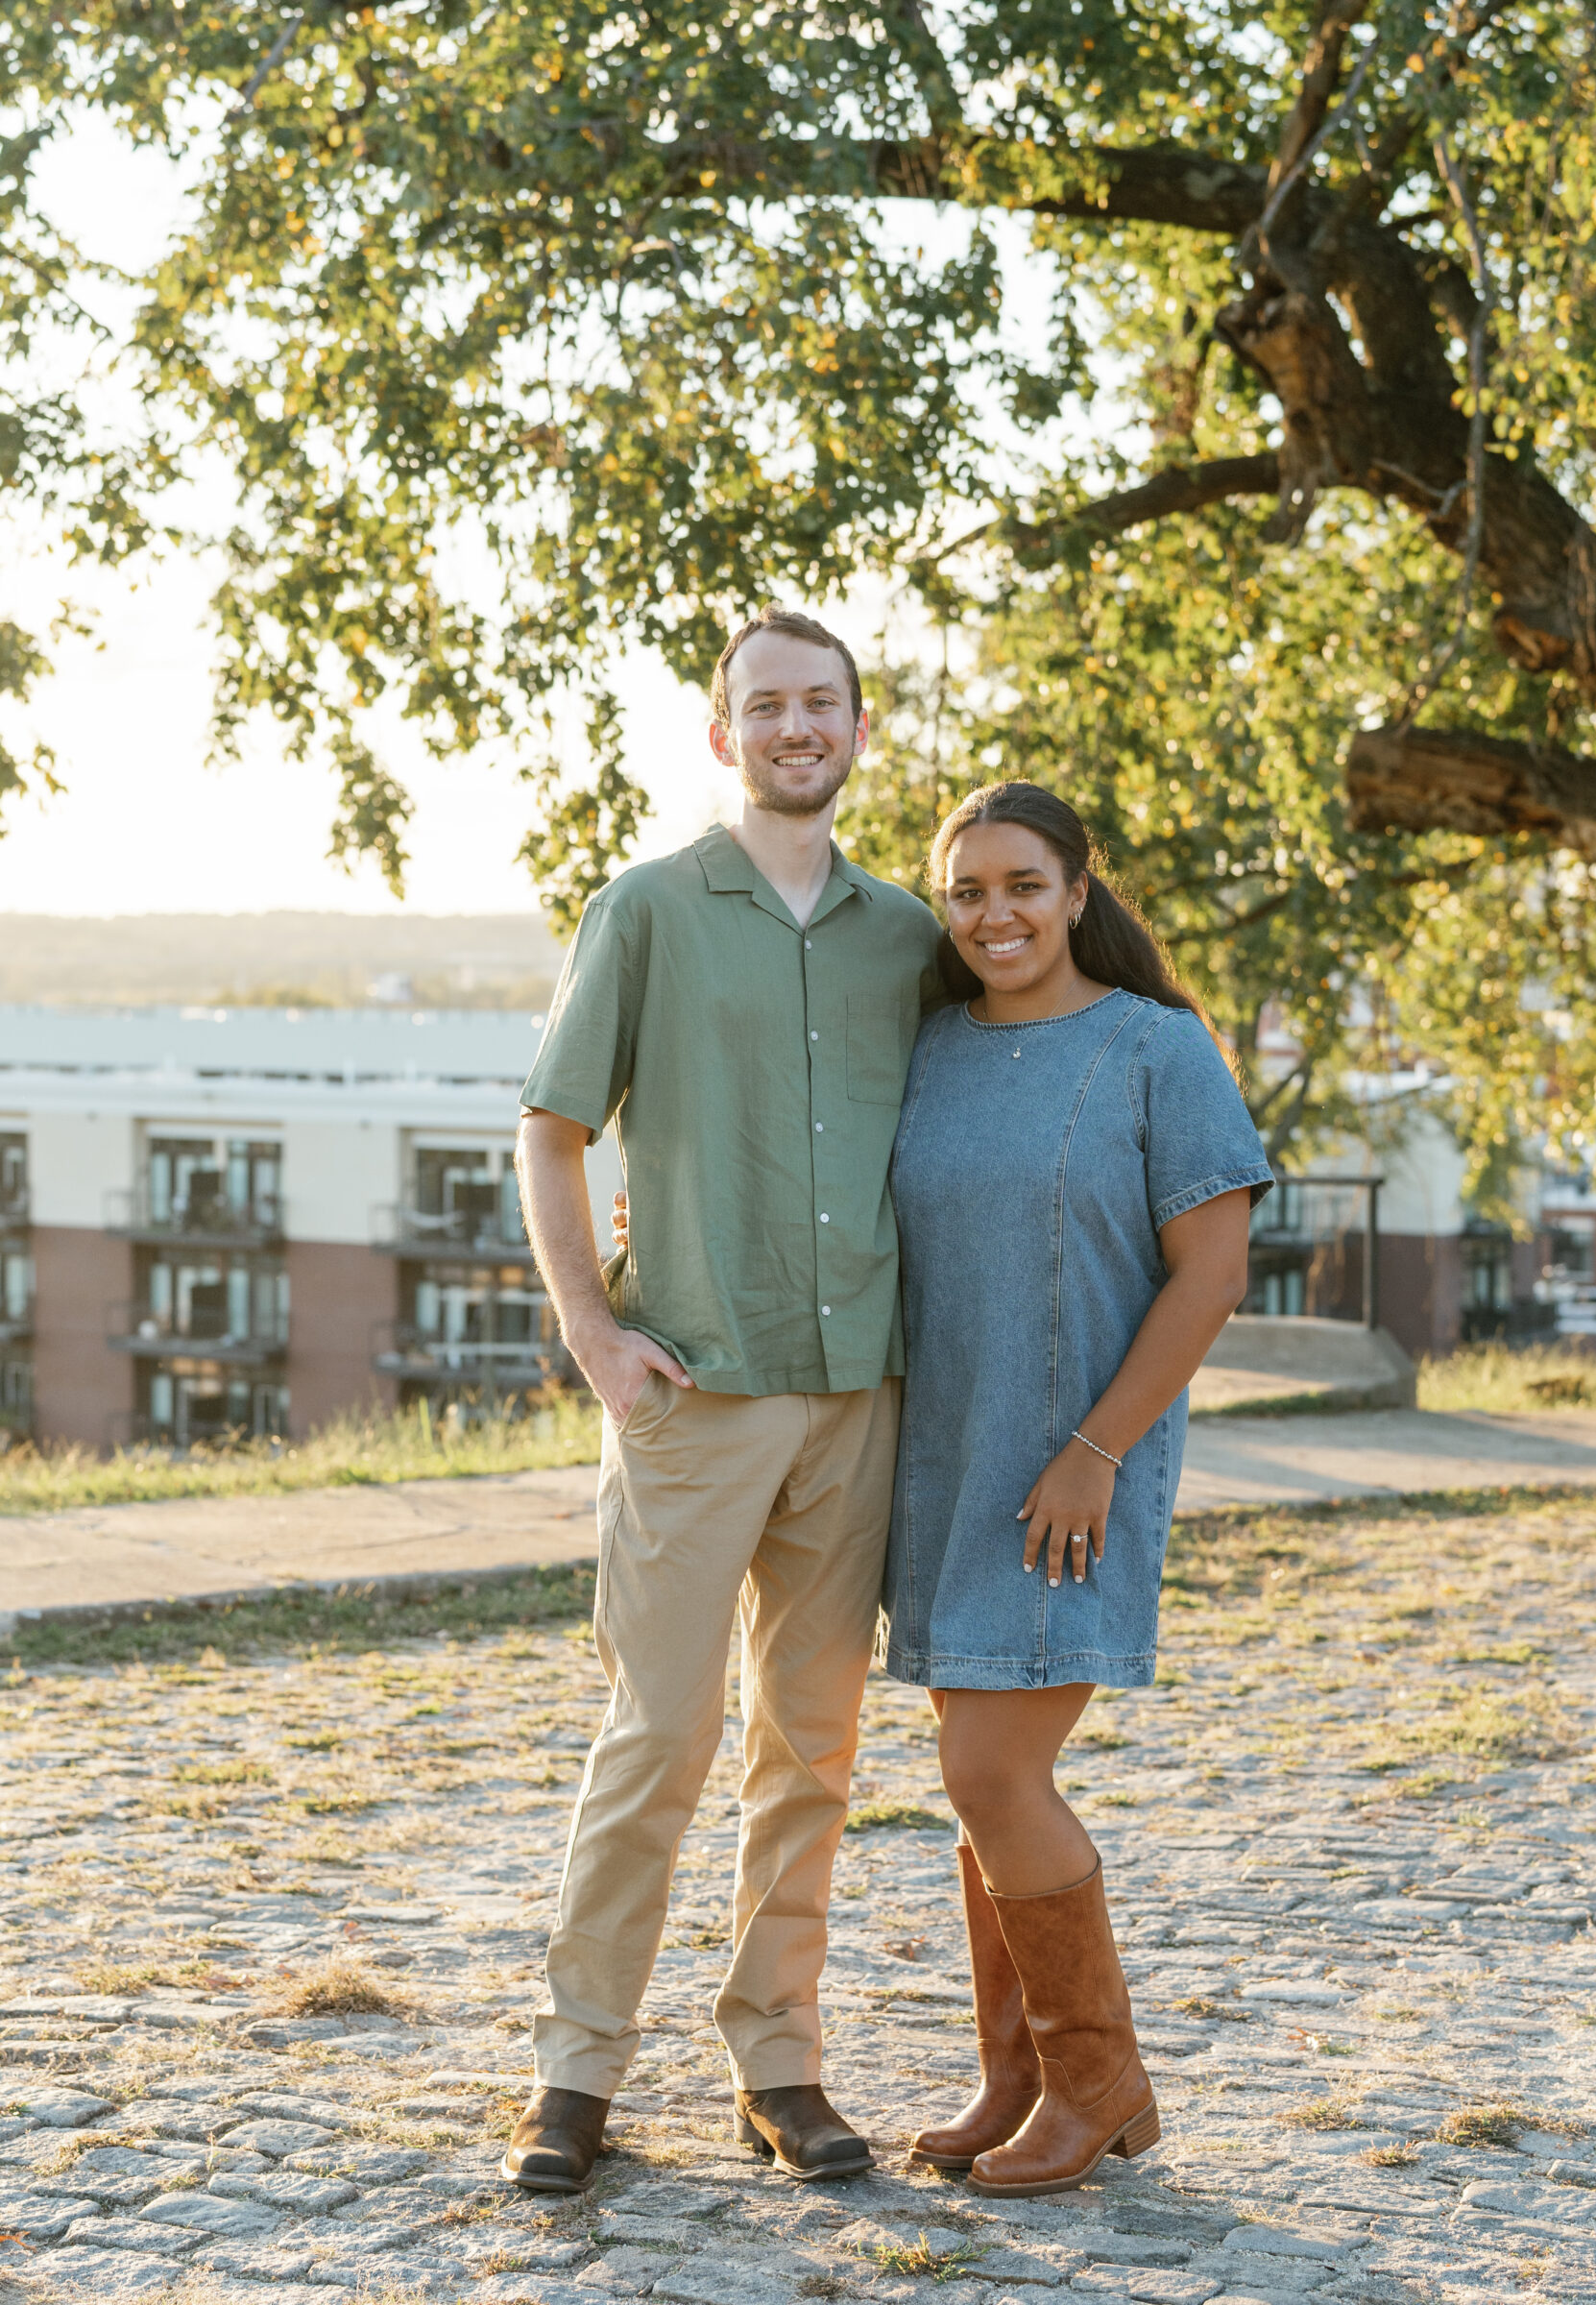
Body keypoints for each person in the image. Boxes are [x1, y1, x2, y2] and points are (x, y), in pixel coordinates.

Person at [500, 604, 941, 2196]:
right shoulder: (645, 911)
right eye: (766, 707)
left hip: (859, 1396)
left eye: (821, 704)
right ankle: (575, 2074)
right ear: (721, 734)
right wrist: (595, 1340)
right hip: (693, 1394)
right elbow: (551, 1131)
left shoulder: (912, 934)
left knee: (810, 1754)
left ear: (860, 728)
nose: (796, 728)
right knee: (659, 1736)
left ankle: (780, 2061)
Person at [883, 781, 1274, 2196]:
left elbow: (1213, 1272)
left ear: (1077, 889)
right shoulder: (927, 1049)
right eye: (968, 892)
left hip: (1076, 1468)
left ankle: (1097, 2080)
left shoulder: (1153, 1049)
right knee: (976, 1778)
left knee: (994, 1769)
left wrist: (1095, 1449)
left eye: (1022, 885)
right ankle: (1019, 2076)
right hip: (943, 1460)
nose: (996, 914)